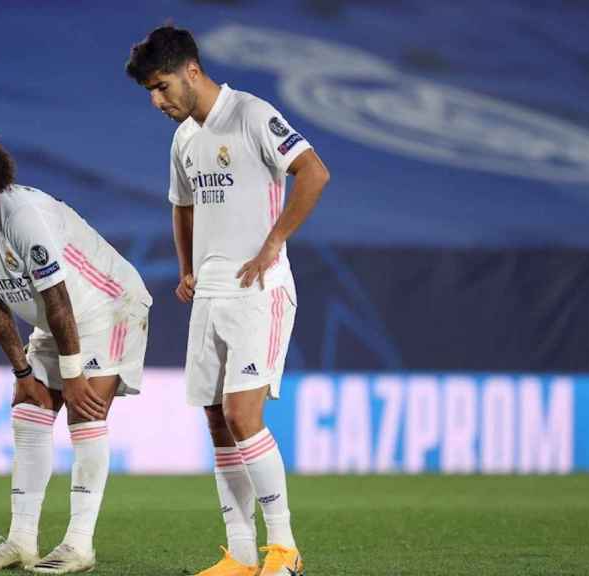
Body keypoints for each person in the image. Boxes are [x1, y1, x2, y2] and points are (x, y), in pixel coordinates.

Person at [126, 26, 330, 576]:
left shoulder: (252, 114)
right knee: (217, 420)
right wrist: (189, 267)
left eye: (163, 87)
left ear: (191, 70)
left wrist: (273, 242)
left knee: (244, 415)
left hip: (260, 291)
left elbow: (314, 172)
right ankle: (240, 554)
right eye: (150, 91)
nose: (157, 101)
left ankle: (284, 550)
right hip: (210, 294)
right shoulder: (184, 138)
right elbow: (182, 205)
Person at [0, 127, 152, 574]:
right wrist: (22, 371)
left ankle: (79, 546)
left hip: (109, 306)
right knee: (28, 410)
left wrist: (73, 374)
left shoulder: (21, 213)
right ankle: (21, 542)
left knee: (86, 412)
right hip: (53, 319)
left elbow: (59, 298)